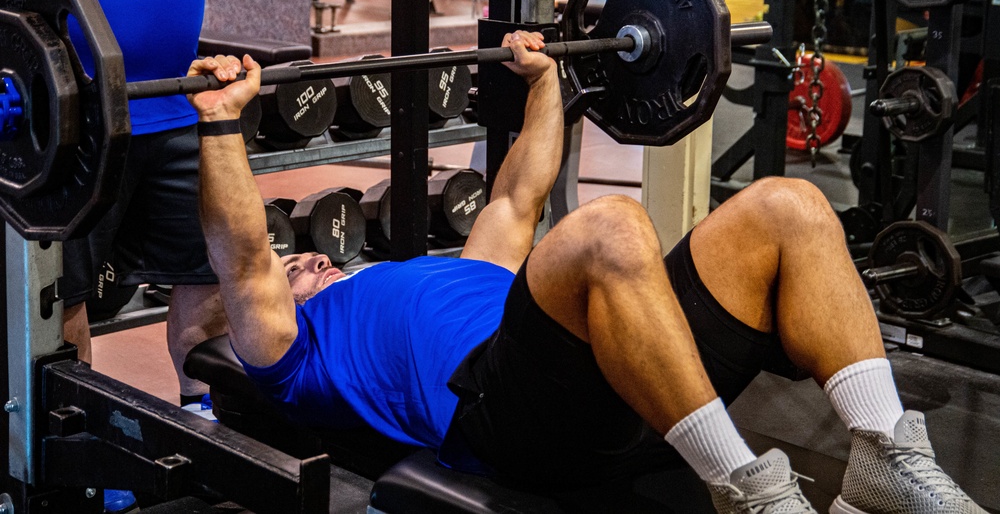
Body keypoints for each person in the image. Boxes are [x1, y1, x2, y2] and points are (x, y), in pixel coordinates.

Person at [186, 32, 986, 514]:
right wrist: (222, 124)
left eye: (312, 252)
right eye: (299, 266)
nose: (316, 255)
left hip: (611, 372)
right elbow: (244, 250)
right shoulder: (295, 350)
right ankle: (751, 493)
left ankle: (885, 455)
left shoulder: (446, 272)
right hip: (504, 415)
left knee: (790, 205)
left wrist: (545, 84)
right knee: (610, 227)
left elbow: (516, 196)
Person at [45, 0, 408, 405]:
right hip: (69, 118)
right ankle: (72, 450)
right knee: (62, 301)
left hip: (179, 106)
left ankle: (207, 424)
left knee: (205, 277)